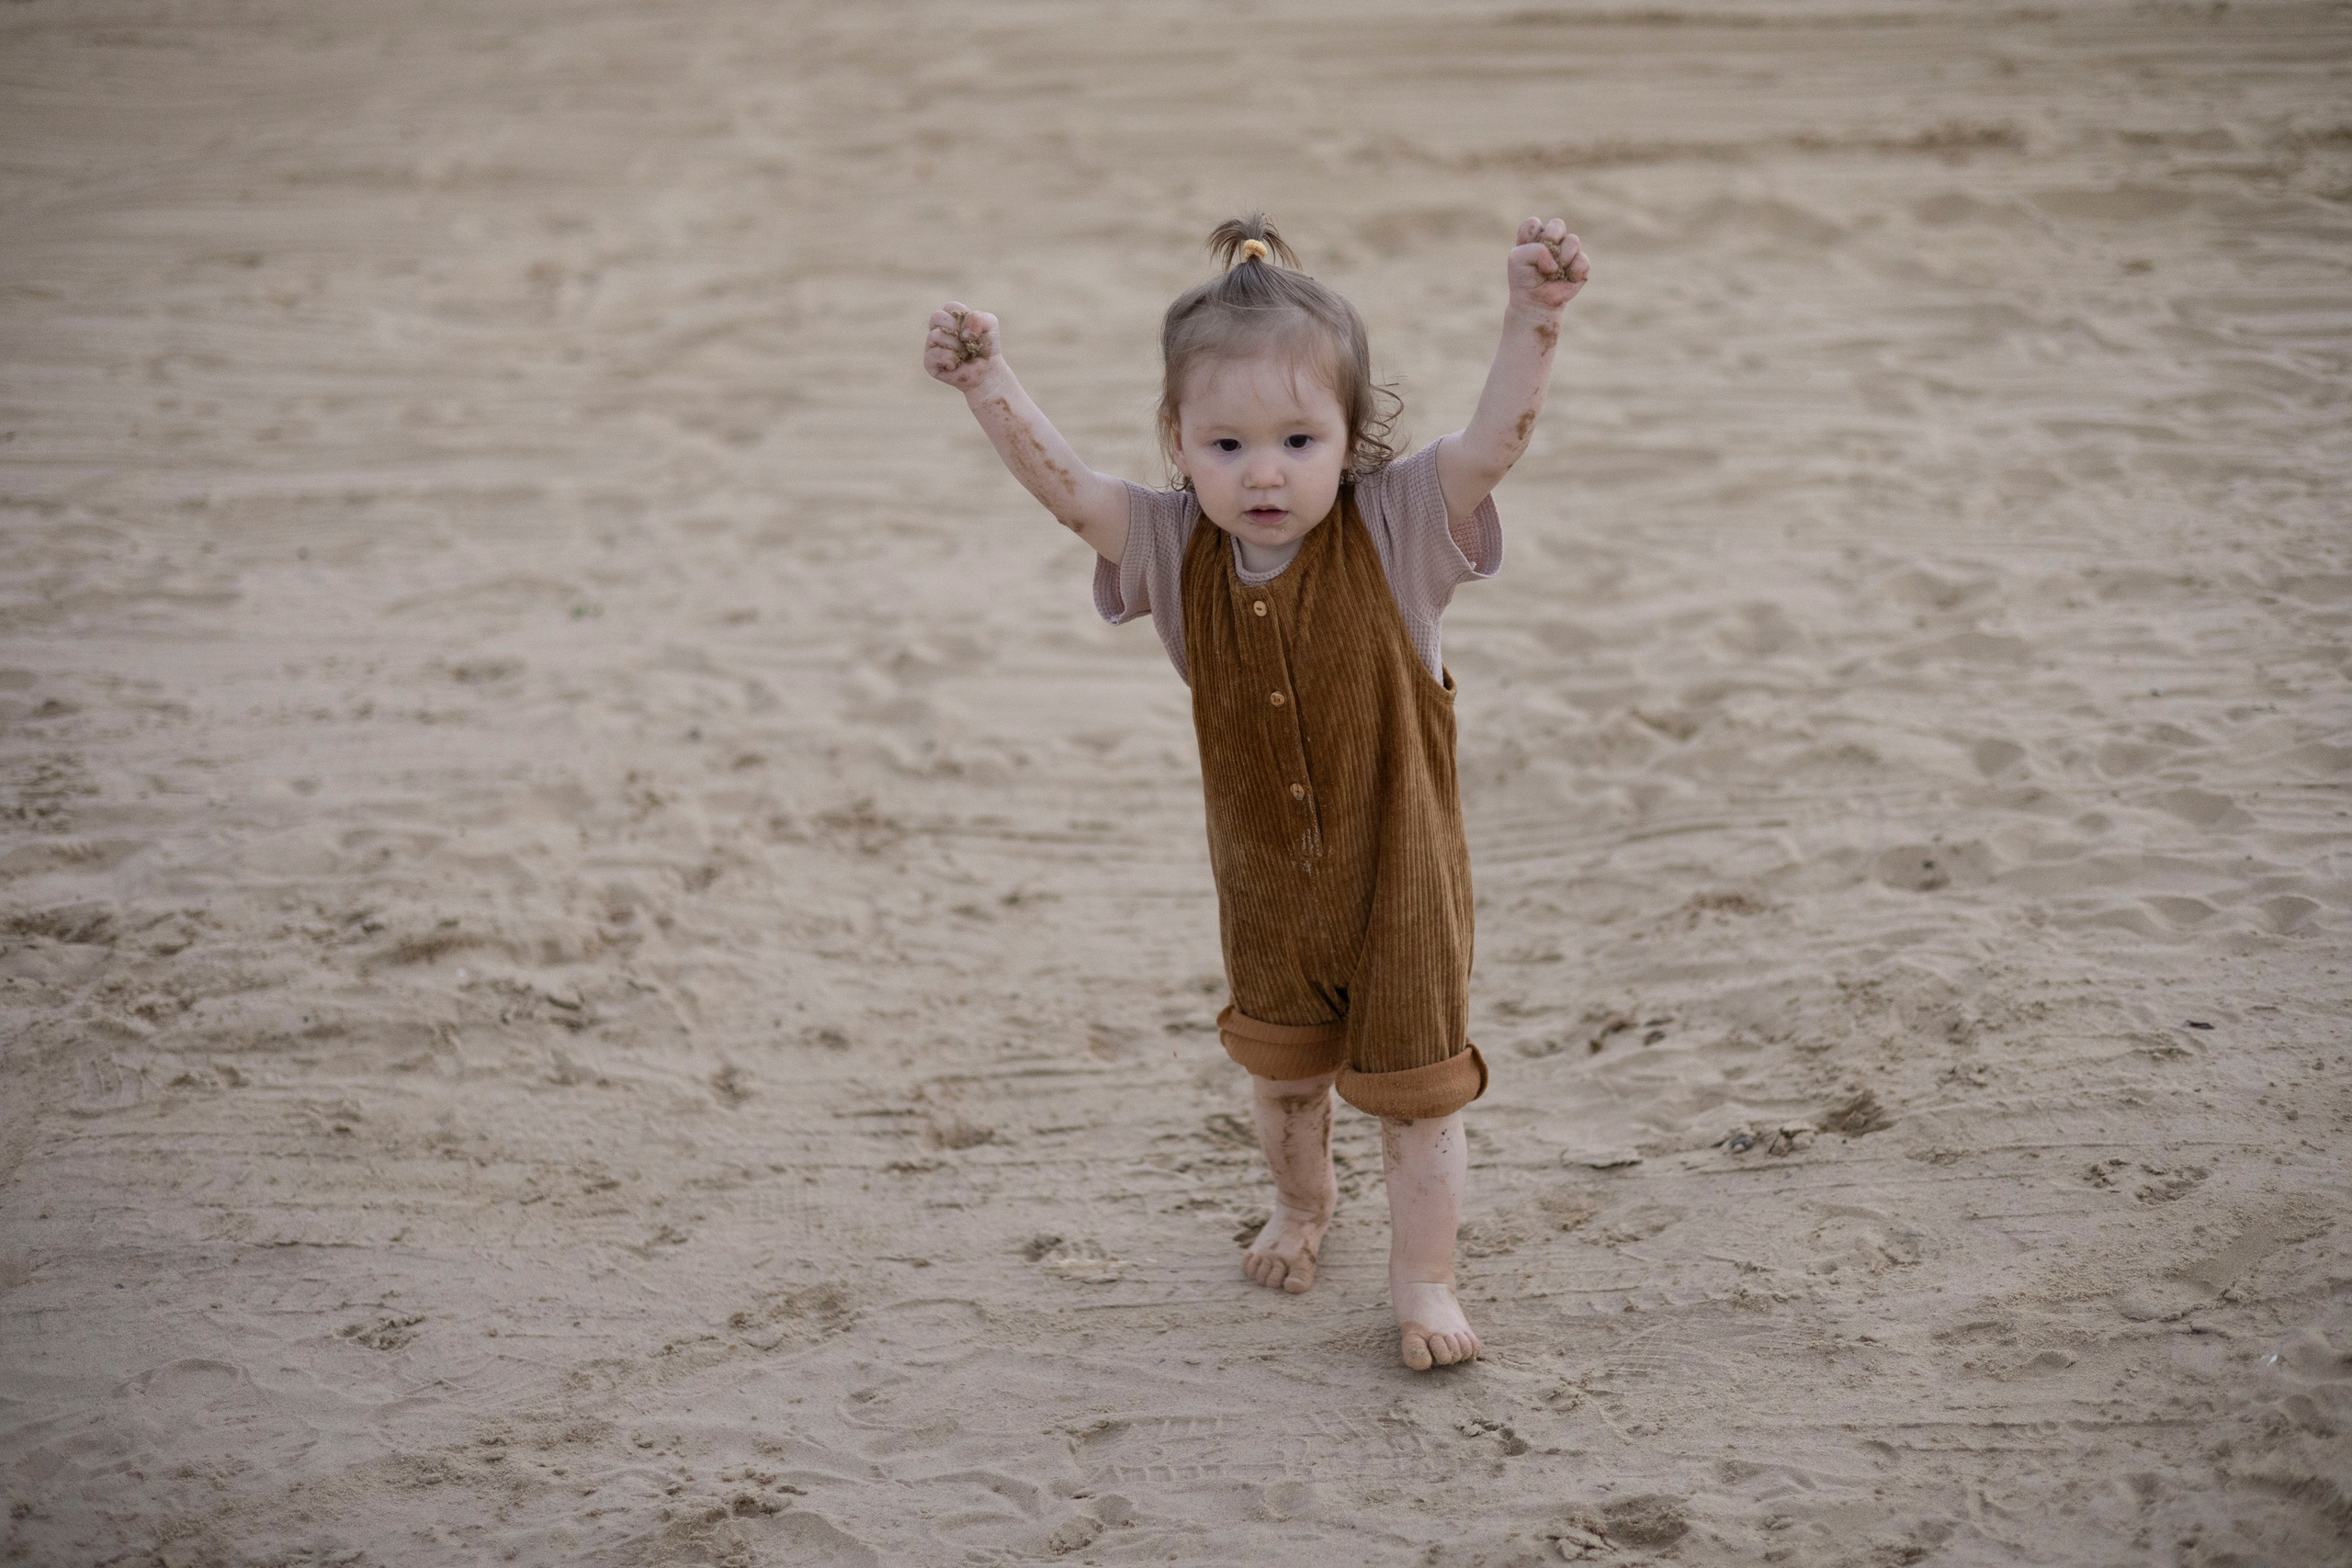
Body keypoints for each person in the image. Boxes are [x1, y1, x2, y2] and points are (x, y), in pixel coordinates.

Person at [922, 212, 1590, 1371]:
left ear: (1350, 439)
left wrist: (1534, 315)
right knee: (1284, 1085)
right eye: (1225, 446)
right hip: (1268, 890)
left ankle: (1424, 1281)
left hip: (1404, 890)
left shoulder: (1399, 529)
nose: (1263, 472)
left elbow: (1493, 441)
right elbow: (1070, 489)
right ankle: (1300, 1207)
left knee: (1420, 1100)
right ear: (1179, 443)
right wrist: (988, 381)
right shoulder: (1172, 551)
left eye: (1297, 439)